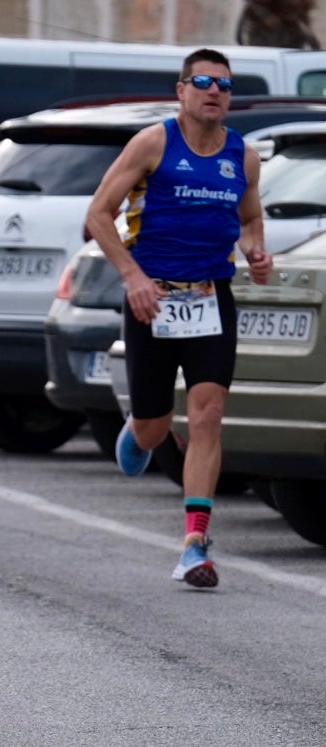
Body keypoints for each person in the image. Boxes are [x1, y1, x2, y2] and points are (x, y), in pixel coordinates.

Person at [85, 48, 273, 589]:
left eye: (224, 85)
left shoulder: (245, 156)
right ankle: (140, 429)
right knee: (154, 429)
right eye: (204, 82)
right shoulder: (153, 143)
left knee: (208, 412)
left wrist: (257, 250)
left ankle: (195, 544)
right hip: (153, 299)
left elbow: (250, 217)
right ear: (182, 90)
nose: (215, 91)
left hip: (211, 296)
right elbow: (98, 215)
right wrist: (132, 277)